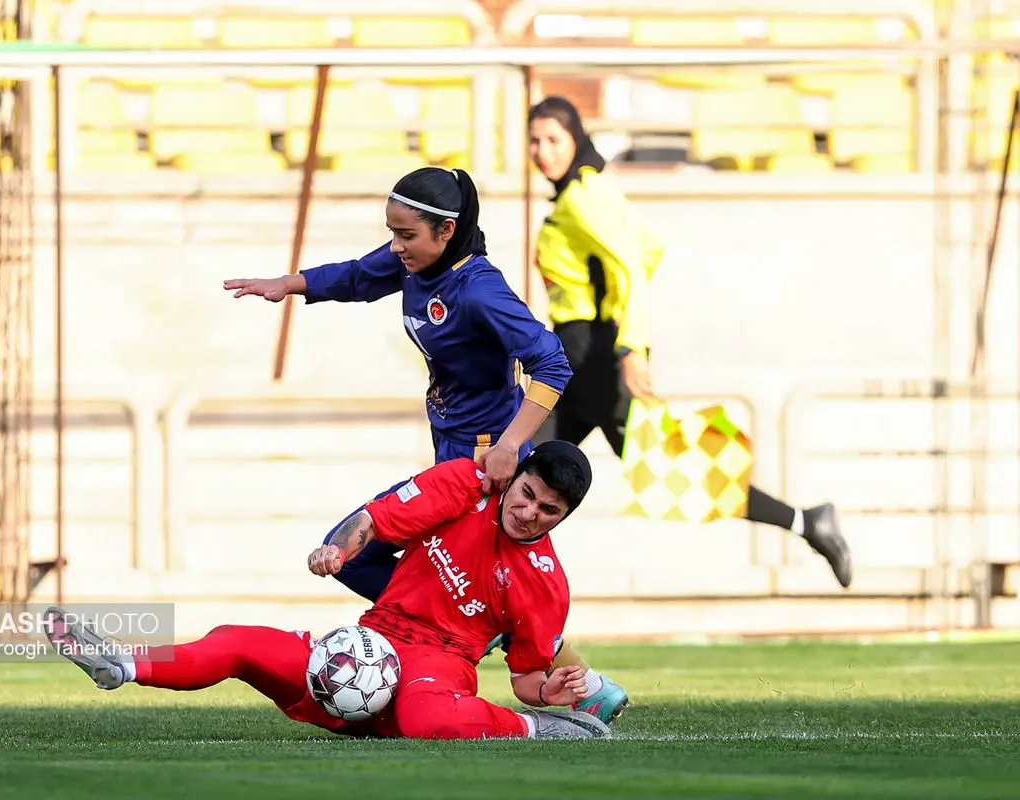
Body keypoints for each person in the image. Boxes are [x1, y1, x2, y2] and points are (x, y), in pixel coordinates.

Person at [222, 167, 631, 723]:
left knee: (350, 550)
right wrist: (289, 285)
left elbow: (552, 362)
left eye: (405, 235)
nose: (395, 247)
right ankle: (578, 681)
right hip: (452, 451)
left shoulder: (480, 288)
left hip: (483, 460)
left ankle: (476, 635)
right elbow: (360, 276)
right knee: (395, 564)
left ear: (446, 231)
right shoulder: (417, 260)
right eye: (391, 232)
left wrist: (513, 444)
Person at [45, 442, 613, 742]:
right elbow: (373, 519)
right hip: (366, 646)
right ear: (515, 478)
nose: (529, 512)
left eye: (548, 511)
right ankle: (121, 665)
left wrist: (547, 695)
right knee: (239, 641)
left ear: (562, 518)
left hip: (439, 667)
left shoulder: (545, 582)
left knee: (422, 720)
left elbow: (525, 677)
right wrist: (339, 551)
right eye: (528, 493)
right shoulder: (463, 486)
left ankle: (540, 732)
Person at [526, 96, 852, 588]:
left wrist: (629, 346)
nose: (542, 151)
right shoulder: (582, 193)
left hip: (594, 361)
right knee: (520, 476)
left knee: (673, 475)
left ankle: (809, 521)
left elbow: (635, 265)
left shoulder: (583, 197)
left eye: (553, 139)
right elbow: (649, 246)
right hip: (575, 358)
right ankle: (808, 522)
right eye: (534, 140)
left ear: (576, 140)